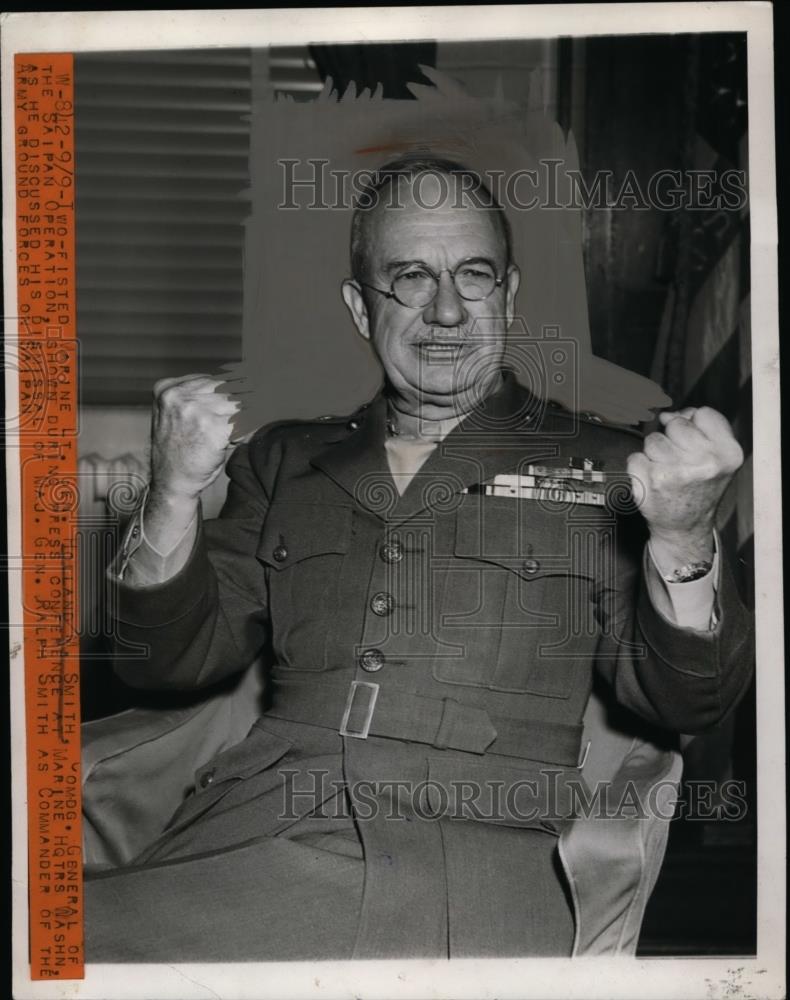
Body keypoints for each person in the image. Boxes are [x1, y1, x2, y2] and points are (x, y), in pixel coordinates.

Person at [84, 155, 753, 961]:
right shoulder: (287, 460)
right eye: (408, 278)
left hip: (467, 862)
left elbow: (692, 701)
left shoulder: (612, 468)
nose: (445, 311)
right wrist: (170, 495)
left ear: (507, 295)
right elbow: (164, 665)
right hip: (243, 824)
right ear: (361, 308)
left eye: (473, 276)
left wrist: (682, 535)